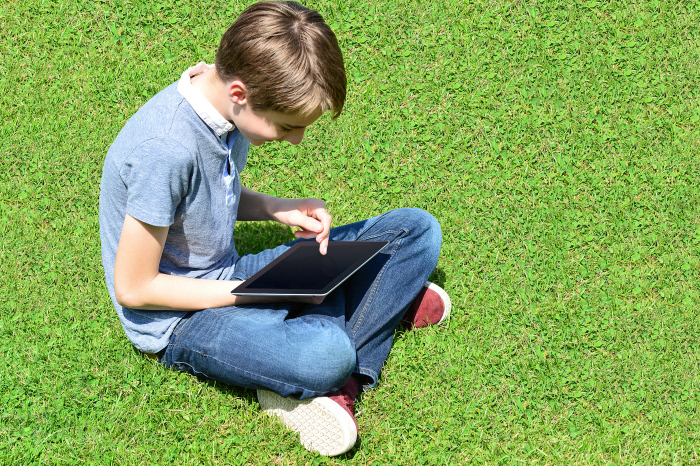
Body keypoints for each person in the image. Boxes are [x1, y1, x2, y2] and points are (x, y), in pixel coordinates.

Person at [99, 0, 451, 456]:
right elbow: (134, 287)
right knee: (327, 353)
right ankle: (353, 338)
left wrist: (278, 209)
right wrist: (253, 291)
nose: (297, 139)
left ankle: (354, 303)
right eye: (287, 126)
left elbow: (201, 198)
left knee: (416, 231)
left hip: (231, 275)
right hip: (179, 320)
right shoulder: (165, 151)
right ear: (241, 93)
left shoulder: (219, 104)